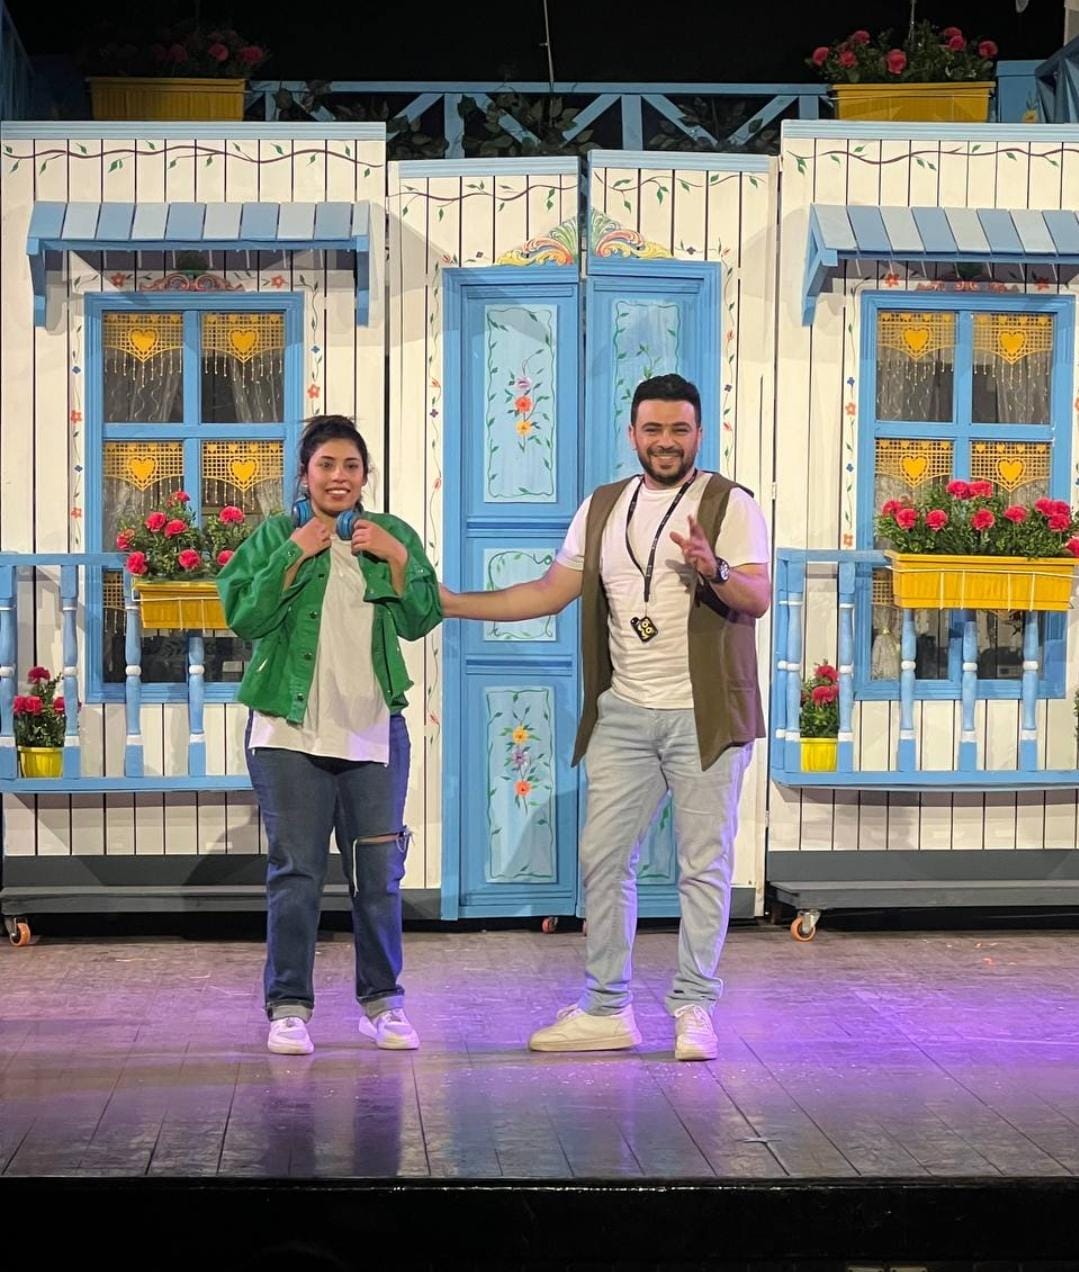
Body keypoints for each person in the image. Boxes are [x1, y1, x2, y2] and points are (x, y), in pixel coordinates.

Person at [441, 373, 770, 1061]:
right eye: (653, 429)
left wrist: (712, 568)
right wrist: (450, 603)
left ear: (699, 433)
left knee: (703, 865)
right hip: (624, 713)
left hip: (704, 713)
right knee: (602, 858)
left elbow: (758, 594)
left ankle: (694, 1009)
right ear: (633, 434)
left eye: (678, 429)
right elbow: (547, 591)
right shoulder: (602, 507)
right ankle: (606, 1008)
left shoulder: (728, 502)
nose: (665, 441)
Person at [217, 415, 441, 1056]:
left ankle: (384, 1003)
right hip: (288, 731)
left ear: (365, 475)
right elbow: (244, 614)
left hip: (372, 730)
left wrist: (397, 558)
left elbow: (420, 618)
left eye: (351, 466)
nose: (338, 477)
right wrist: (295, 552)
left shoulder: (390, 534)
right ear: (305, 473)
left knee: (380, 874)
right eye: (326, 465)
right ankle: (289, 1008)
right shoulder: (275, 535)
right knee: (297, 873)